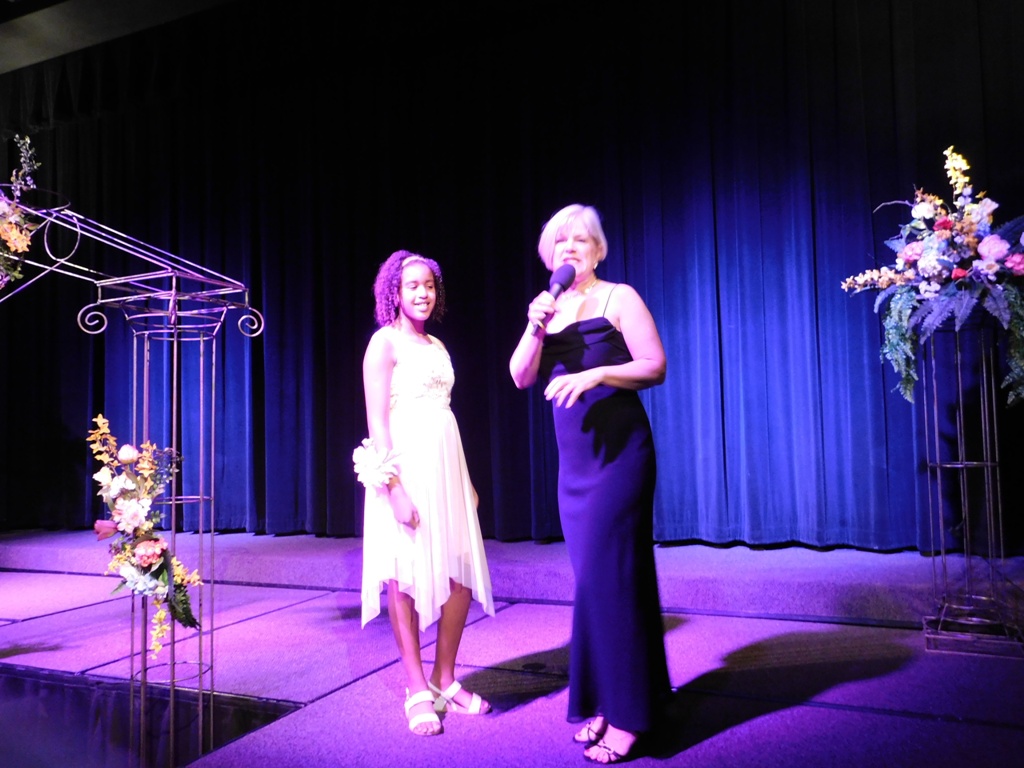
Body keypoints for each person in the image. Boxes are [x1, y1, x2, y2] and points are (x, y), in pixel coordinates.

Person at [509, 204, 671, 764]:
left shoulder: (618, 298)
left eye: (581, 240)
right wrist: (535, 324)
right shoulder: (548, 309)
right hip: (574, 470)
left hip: (621, 459)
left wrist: (597, 372)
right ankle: (613, 700)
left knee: (614, 580)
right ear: (549, 255)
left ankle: (628, 718)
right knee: (594, 585)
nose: (570, 248)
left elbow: (655, 365)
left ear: (598, 250)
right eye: (561, 242)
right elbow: (520, 375)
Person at [356, 249, 495, 737]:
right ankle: (416, 688)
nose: (422, 293)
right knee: (406, 577)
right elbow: (377, 422)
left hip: (446, 470)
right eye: (412, 285)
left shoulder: (437, 345)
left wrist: (466, 480)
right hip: (405, 471)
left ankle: (444, 678)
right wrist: (394, 487)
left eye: (429, 286)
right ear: (394, 292)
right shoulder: (384, 343)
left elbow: (444, 418)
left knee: (460, 575)